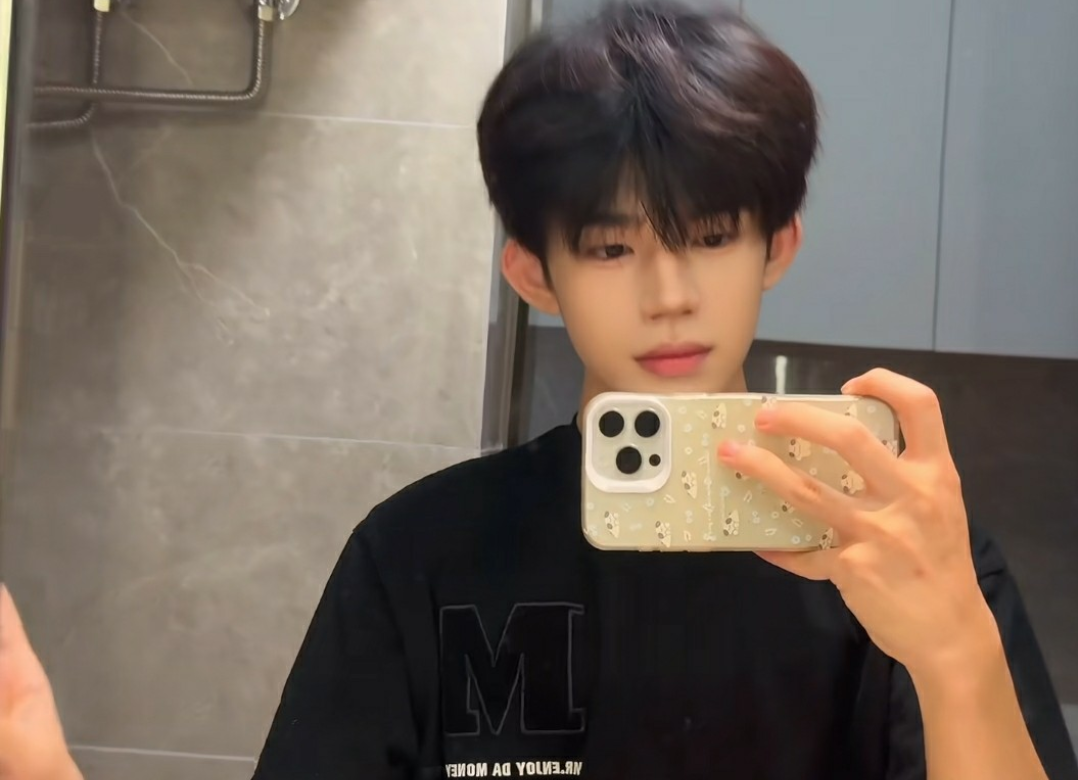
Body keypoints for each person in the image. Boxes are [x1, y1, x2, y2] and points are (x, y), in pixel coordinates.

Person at [1, 2, 1077, 779]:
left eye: (709, 237)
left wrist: (955, 651)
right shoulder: (421, 555)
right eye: (611, 249)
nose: (668, 295)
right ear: (533, 273)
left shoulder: (897, 547)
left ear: (776, 247)